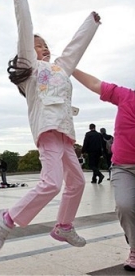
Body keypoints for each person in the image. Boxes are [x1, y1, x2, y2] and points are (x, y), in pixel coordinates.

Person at [0, 0, 101, 253]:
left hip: (64, 133)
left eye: (46, 45)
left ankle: (63, 226)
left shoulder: (60, 68)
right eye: (39, 46)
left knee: (77, 181)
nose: (44, 48)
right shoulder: (31, 70)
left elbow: (75, 48)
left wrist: (91, 24)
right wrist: (20, 1)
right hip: (48, 131)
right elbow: (24, 34)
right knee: (51, 182)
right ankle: (7, 218)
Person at [72, 68, 135, 271]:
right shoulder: (126, 96)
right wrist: (70, 65)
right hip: (123, 167)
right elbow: (94, 84)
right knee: (125, 206)